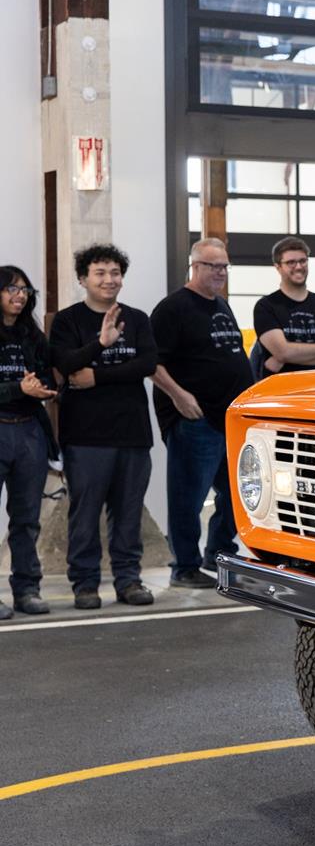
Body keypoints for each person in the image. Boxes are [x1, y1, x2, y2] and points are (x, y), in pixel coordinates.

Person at [50, 244, 158, 610]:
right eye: (100, 273)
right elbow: (66, 363)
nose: (109, 279)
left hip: (133, 432)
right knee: (84, 514)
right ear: (83, 279)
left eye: (115, 273)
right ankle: (85, 584)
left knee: (128, 513)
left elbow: (147, 364)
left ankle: (129, 580)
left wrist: (97, 377)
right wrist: (100, 343)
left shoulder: (138, 319)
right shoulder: (68, 321)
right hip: (85, 436)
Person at [151, 237, 256, 589]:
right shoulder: (173, 308)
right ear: (195, 266)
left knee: (238, 494)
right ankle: (184, 567)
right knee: (188, 499)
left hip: (231, 420)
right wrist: (179, 396)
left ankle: (219, 552)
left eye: (225, 266)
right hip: (196, 420)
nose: (221, 272)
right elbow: (153, 362)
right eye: (214, 266)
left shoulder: (221, 305)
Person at [0, 266, 57, 618]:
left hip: (29, 432)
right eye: (11, 289)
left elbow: (49, 377)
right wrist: (18, 388)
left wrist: (41, 388)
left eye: (24, 290)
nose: (19, 295)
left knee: (26, 519)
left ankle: (26, 589)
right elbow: (18, 386)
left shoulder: (32, 335)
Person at [253, 237, 315, 377]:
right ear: (278, 267)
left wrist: (287, 356)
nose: (298, 267)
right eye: (291, 262)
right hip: (282, 387)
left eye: (303, 261)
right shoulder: (266, 306)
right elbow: (283, 352)